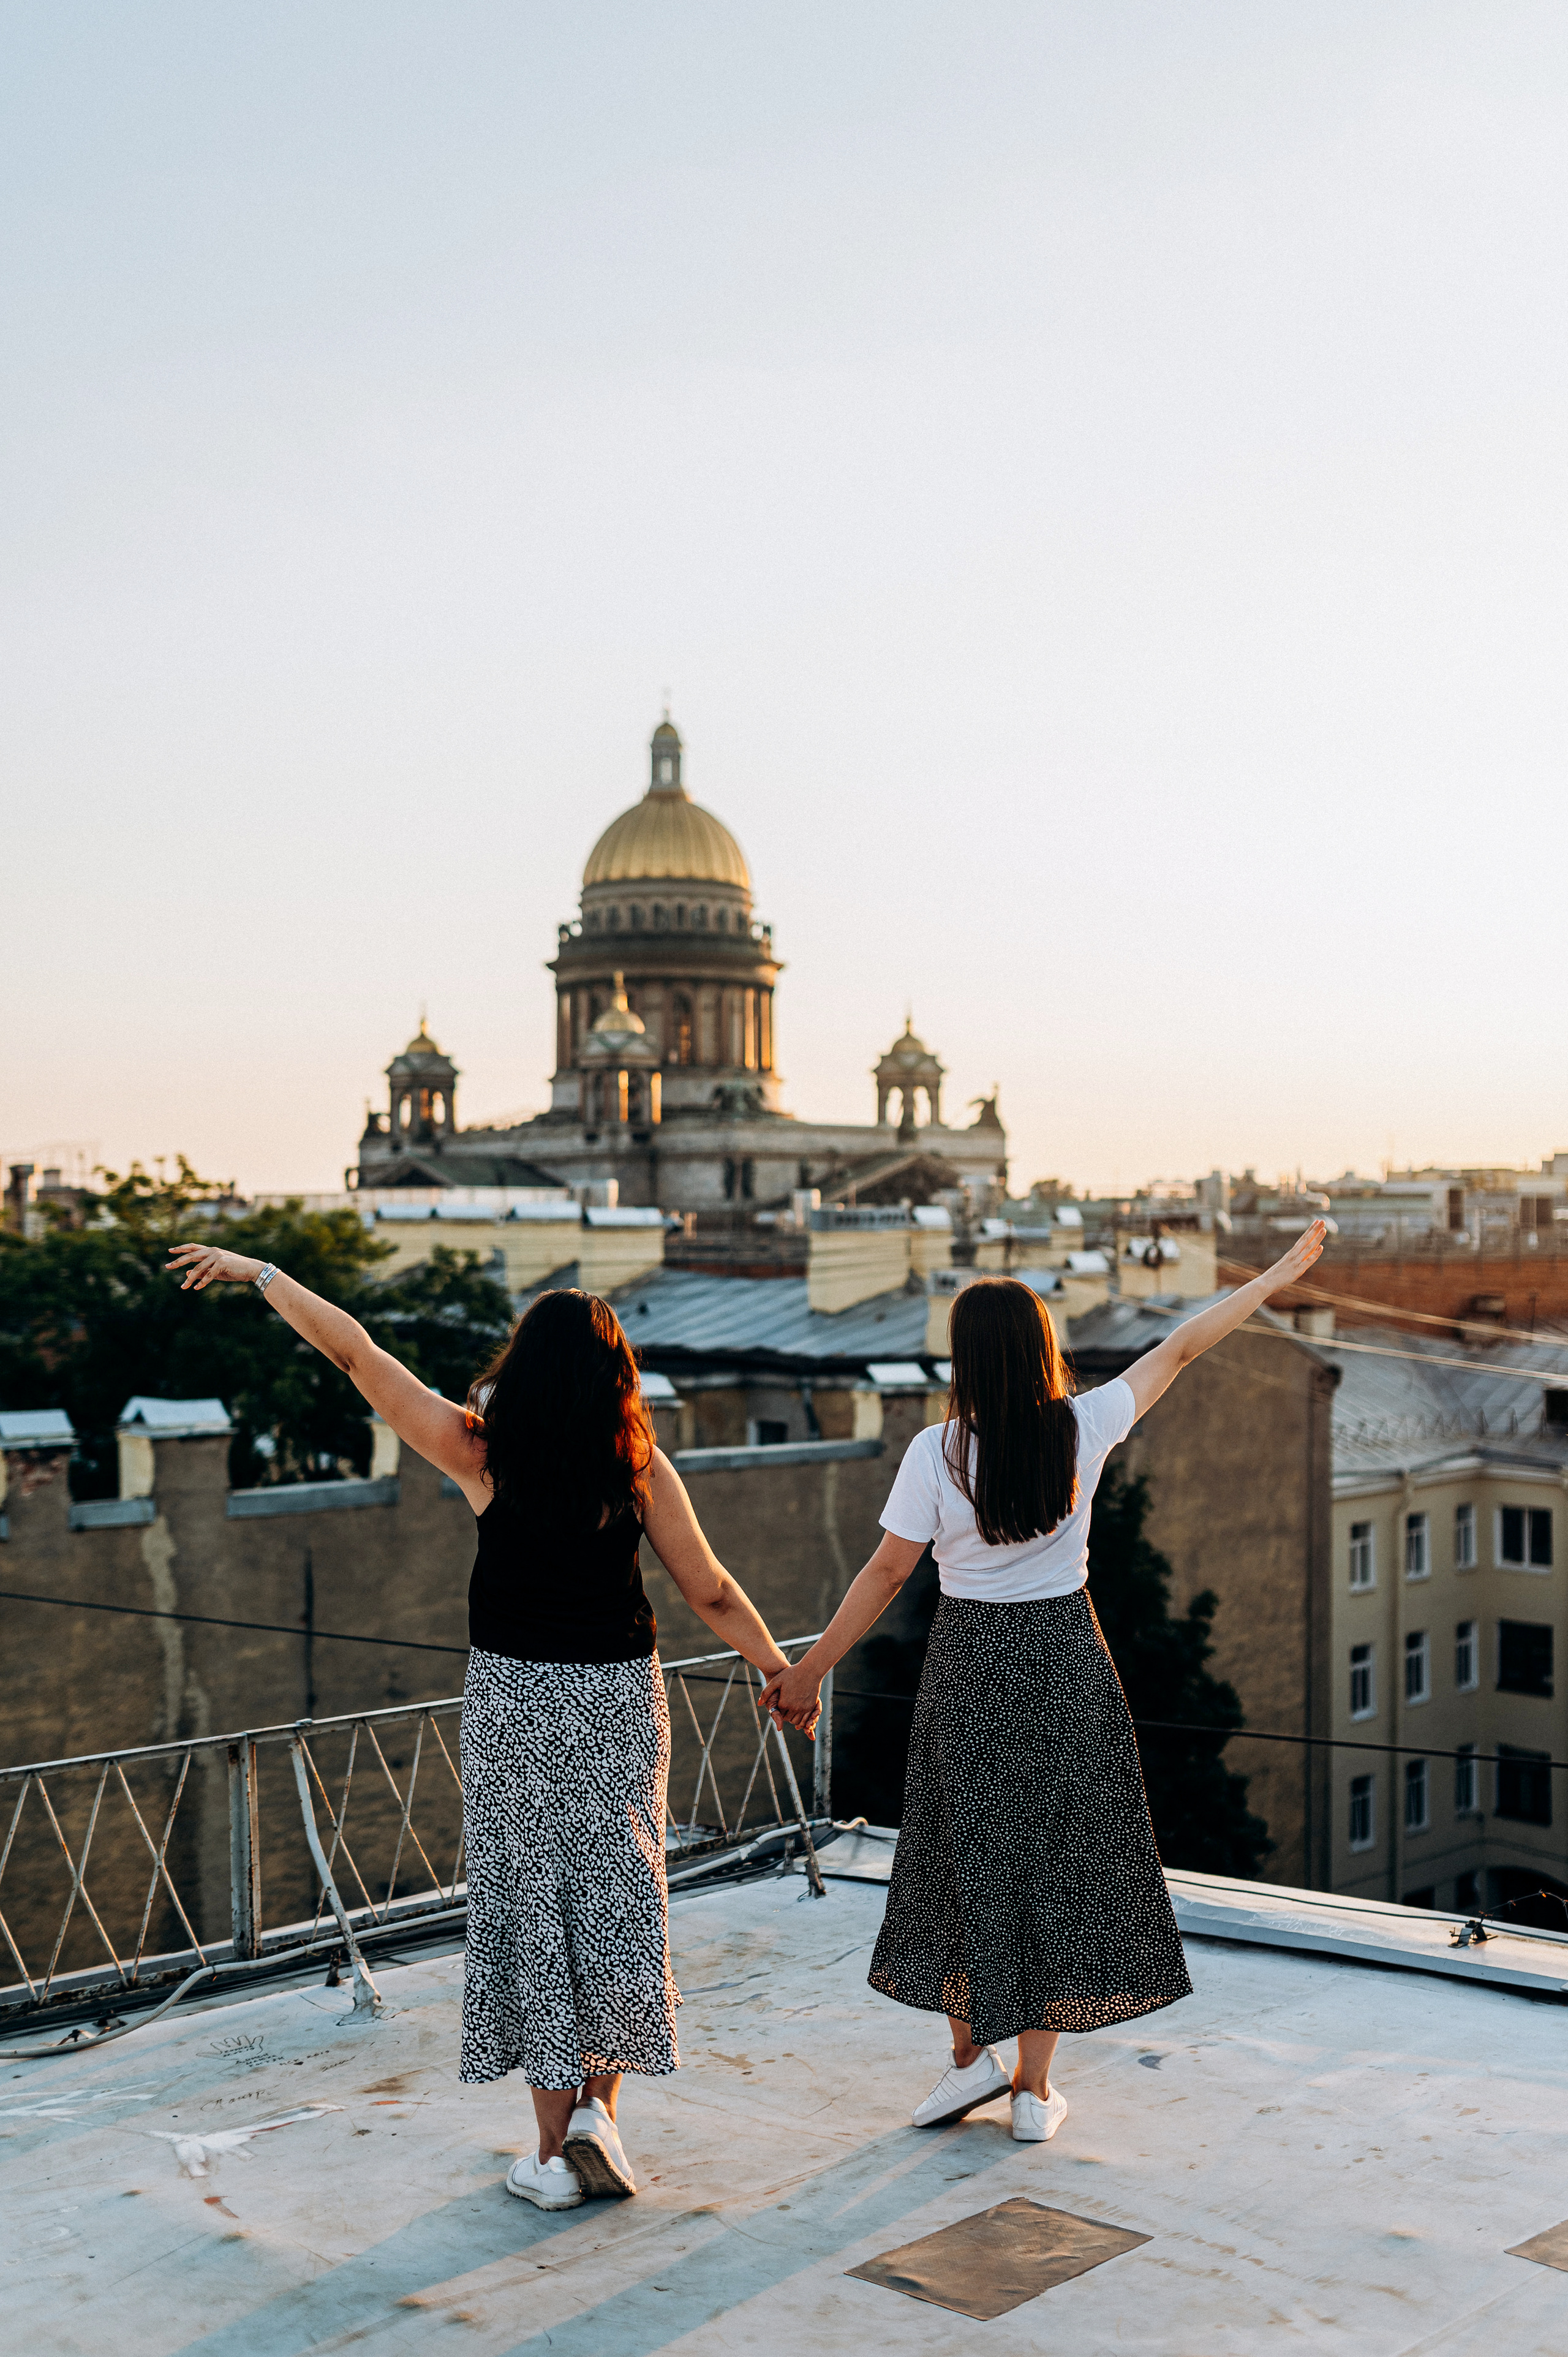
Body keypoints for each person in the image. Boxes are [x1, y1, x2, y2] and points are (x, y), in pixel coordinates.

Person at [165, 1248, 807, 2211]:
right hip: (618, 1704)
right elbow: (708, 1588)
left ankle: (550, 2158)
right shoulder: (638, 1468)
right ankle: (602, 2116)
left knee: (529, 1909)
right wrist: (780, 1671)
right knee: (618, 1892)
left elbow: (357, 1354)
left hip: (513, 1704)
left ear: (525, 1367)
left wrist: (263, 1274)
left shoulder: (479, 1452)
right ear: (614, 1376)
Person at [763, 1221, 1327, 2144]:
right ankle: (1032, 2094)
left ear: (965, 1360)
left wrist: (806, 1673)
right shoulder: (1087, 1424)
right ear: (1042, 1350)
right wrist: (1276, 1275)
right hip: (1067, 1653)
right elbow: (1184, 1343)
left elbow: (885, 1576)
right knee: (1056, 1867)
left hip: (972, 1662)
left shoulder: (935, 1454)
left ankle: (966, 2065)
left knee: (961, 1860)